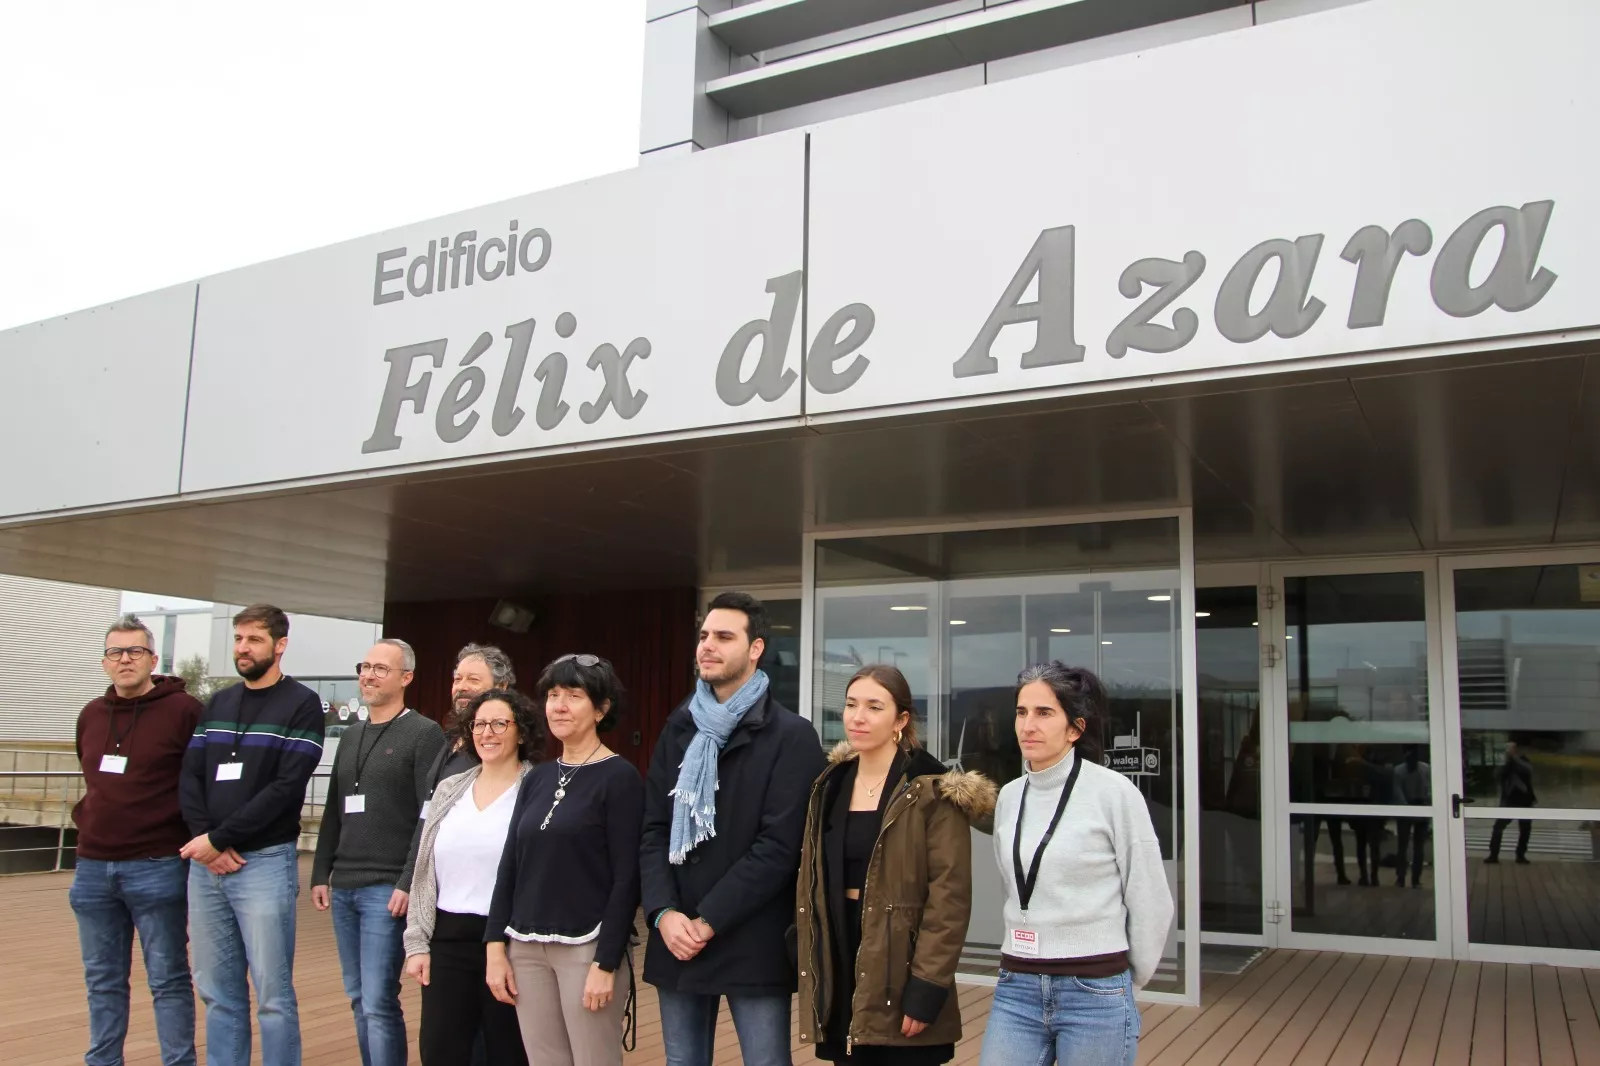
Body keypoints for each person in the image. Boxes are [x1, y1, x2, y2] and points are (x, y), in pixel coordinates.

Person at [640, 591, 827, 1066]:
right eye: (704, 636)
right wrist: (663, 914)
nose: (708, 645)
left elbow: (779, 848)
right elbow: (654, 831)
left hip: (751, 937)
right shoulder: (679, 728)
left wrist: (707, 921)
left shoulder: (792, 736)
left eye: (724, 637)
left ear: (756, 648)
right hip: (676, 935)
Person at [796, 664, 996, 1065]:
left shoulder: (931, 790)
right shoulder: (830, 785)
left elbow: (949, 900)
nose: (858, 716)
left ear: (900, 720)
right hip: (840, 951)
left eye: (874, 706)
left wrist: (927, 987)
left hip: (901, 962)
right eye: (851, 704)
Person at [979, 662, 1174, 1066]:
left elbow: (1151, 897)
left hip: (1095, 989)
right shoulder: (1011, 797)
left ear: (1075, 728)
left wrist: (1122, 981)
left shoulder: (1114, 794)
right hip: (1018, 986)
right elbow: (1013, 886)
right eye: (1021, 712)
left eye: (1044, 713)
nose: (1027, 725)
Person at [179, 604, 325, 1066]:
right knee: (217, 992)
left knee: (272, 994)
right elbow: (190, 776)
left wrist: (219, 839)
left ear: (280, 645)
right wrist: (206, 839)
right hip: (207, 868)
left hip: (263, 863)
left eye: (254, 639)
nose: (243, 648)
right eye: (239, 638)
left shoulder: (302, 705)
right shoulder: (218, 703)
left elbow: (286, 789)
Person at [486, 655, 645, 1066]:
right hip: (525, 947)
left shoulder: (620, 778)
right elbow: (510, 865)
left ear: (601, 708)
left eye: (573, 696)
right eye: (553, 695)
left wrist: (605, 963)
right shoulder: (537, 777)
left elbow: (627, 879)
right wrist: (495, 947)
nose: (558, 705)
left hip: (585, 947)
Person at [70, 614, 202, 1066]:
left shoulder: (184, 711)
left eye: (134, 651)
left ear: (152, 658)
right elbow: (93, 780)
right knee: (102, 980)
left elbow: (200, 781)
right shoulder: (90, 714)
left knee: (167, 978)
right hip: (91, 868)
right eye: (115, 652)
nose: (124, 659)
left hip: (158, 865)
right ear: (104, 661)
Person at [311, 638, 446, 1066]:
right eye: (363, 666)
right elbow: (334, 808)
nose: (367, 675)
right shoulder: (351, 735)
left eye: (379, 669)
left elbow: (429, 816)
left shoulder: (424, 734)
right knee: (356, 997)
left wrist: (408, 881)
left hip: (385, 889)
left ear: (406, 677)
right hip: (345, 887)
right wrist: (319, 872)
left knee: (378, 1000)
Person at [405, 690, 539, 1066]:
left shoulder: (538, 789)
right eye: (479, 724)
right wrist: (417, 941)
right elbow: (423, 870)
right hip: (446, 941)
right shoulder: (451, 788)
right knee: (441, 1051)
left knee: (509, 1052)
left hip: (511, 943)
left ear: (522, 733)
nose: (487, 732)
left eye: (500, 723)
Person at [1486, 741, 1536, 864]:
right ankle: (1493, 854)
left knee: (1525, 829)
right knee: (1498, 827)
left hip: (1524, 800)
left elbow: (1528, 770)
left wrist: (1514, 759)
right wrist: (1506, 762)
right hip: (1508, 801)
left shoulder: (1523, 761)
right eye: (1508, 749)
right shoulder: (1504, 764)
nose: (1509, 751)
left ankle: (1520, 855)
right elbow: (1496, 775)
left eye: (1512, 748)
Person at [1391, 746, 1431, 888]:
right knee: (1410, 845)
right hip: (1414, 806)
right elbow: (1398, 790)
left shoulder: (1403, 770)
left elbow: (1398, 791)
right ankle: (1407, 878)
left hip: (1415, 806)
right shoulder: (1423, 768)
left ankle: (1408, 878)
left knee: (1411, 845)